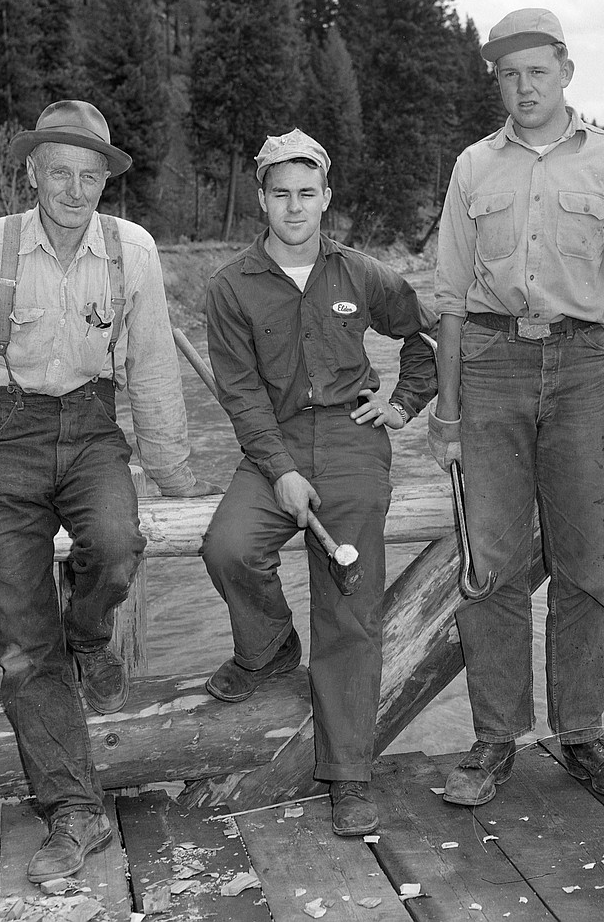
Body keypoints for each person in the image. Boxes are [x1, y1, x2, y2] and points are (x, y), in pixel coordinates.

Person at [0, 100, 221, 883]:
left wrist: (177, 476)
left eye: (89, 176)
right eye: (60, 174)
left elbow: (150, 367)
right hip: (0, 434)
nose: (75, 190)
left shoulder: (133, 251)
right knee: (21, 651)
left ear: (104, 181)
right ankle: (74, 813)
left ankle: (86, 638)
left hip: (89, 427)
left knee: (116, 550)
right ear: (33, 174)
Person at [428, 8, 604, 807]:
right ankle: (494, 740)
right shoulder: (472, 167)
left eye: (536, 70)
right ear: (495, 81)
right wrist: (447, 416)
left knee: (585, 563)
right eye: (507, 73)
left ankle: (582, 736)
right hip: (490, 366)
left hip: (577, 370)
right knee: (489, 564)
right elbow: (452, 304)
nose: (523, 86)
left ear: (566, 69)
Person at [200, 128, 437, 837]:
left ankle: (348, 776)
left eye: (308, 194)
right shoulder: (229, 286)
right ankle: (270, 648)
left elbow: (422, 340)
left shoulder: (363, 274)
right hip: (270, 441)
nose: (295, 207)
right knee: (229, 546)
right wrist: (280, 472)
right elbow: (240, 395)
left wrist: (400, 403)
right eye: (282, 195)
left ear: (326, 197)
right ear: (263, 200)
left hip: (351, 440)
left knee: (350, 605)